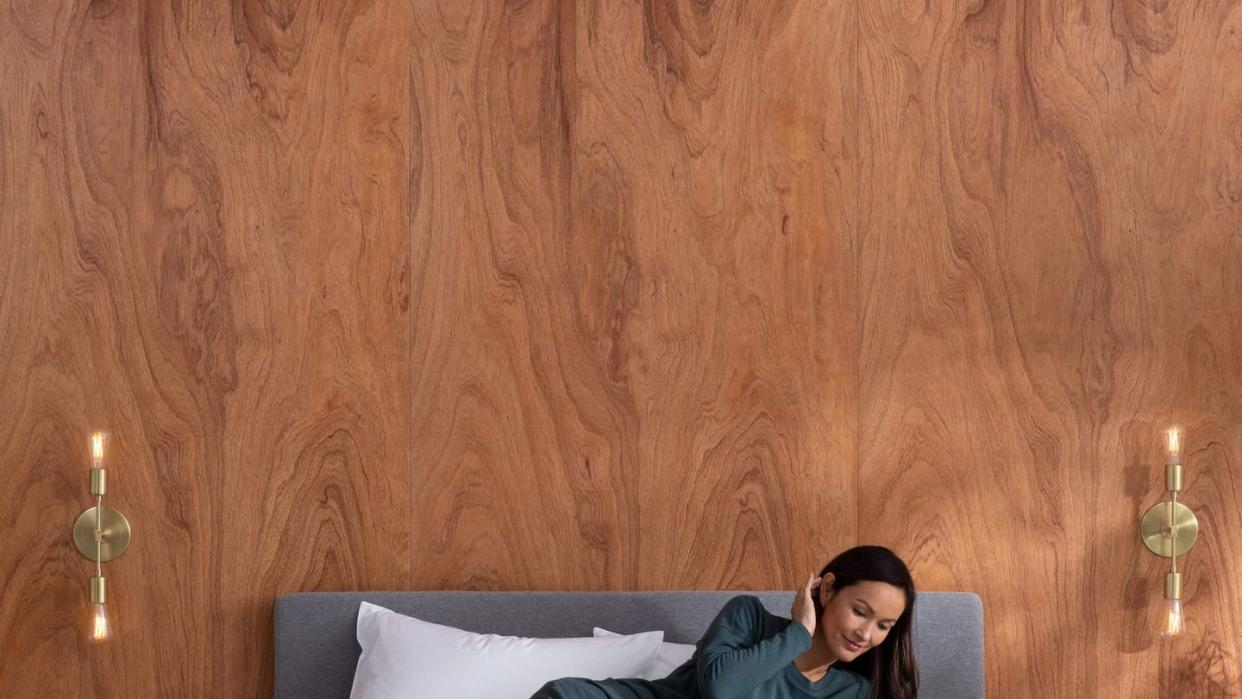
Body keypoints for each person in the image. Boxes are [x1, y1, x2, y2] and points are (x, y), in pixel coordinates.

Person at [532, 545, 919, 699]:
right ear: (828, 589)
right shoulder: (747, 616)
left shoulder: (850, 692)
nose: (866, 634)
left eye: (884, 626)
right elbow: (721, 688)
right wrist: (799, 634)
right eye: (860, 612)